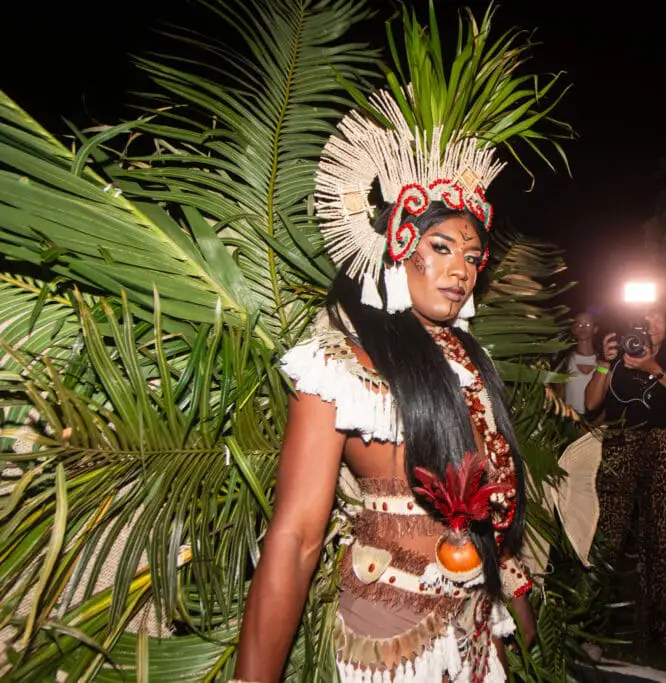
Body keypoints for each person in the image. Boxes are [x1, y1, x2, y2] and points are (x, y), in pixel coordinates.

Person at [231, 9, 559, 680]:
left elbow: (490, 497)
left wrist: (512, 591)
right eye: (441, 247)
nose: (463, 268)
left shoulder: (473, 360)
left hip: (473, 628)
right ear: (396, 248)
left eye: (473, 254)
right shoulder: (341, 365)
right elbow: (294, 540)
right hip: (391, 640)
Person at [585, 305, 666, 660]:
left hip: (662, 446)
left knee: (660, 538)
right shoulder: (617, 350)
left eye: (659, 317)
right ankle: (593, 628)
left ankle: (659, 625)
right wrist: (605, 362)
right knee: (608, 538)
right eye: (645, 317)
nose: (651, 323)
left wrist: (654, 368)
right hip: (619, 443)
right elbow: (591, 403)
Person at [562, 310, 599, 416]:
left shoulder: (604, 362)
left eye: (587, 324)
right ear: (573, 329)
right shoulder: (564, 361)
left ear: (595, 329)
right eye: (578, 324)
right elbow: (558, 396)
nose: (582, 327)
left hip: (594, 426)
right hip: (570, 423)